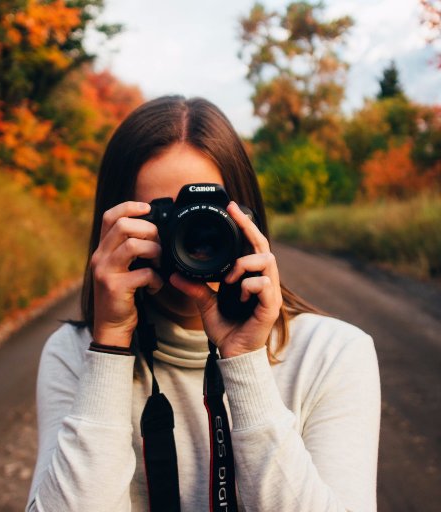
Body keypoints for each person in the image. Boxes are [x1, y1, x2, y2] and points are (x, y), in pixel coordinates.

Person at [25, 96, 381, 512]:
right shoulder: (75, 352)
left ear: (247, 218)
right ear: (115, 226)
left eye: (207, 216)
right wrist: (109, 344)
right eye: (164, 217)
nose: (191, 237)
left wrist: (245, 360)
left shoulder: (333, 354)